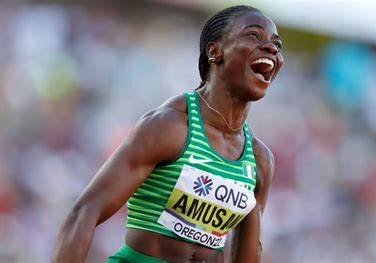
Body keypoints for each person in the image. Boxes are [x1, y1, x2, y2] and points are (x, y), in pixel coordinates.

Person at [52, 5, 283, 263]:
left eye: (277, 45)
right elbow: (84, 213)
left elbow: (248, 257)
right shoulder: (169, 127)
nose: (271, 48)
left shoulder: (260, 160)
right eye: (253, 35)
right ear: (215, 51)